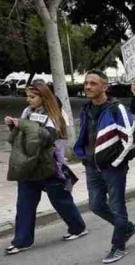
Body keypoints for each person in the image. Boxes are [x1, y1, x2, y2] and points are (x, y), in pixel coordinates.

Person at [5, 83, 86, 254]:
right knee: (24, 204)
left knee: (61, 201)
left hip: (51, 166)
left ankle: (77, 227)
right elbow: (20, 138)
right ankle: (21, 241)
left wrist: (23, 125)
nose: (28, 100)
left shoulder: (56, 115)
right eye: (27, 96)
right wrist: (13, 125)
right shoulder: (27, 112)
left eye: (32, 97)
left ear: (43, 97)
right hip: (29, 165)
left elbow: (46, 138)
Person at [74, 70, 135, 264]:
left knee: (117, 206)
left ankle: (118, 246)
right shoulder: (86, 109)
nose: (87, 87)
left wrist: (116, 163)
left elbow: (130, 139)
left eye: (93, 83)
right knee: (95, 205)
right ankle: (127, 227)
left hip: (113, 168)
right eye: (86, 83)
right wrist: (83, 155)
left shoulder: (116, 109)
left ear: (105, 87)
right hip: (92, 166)